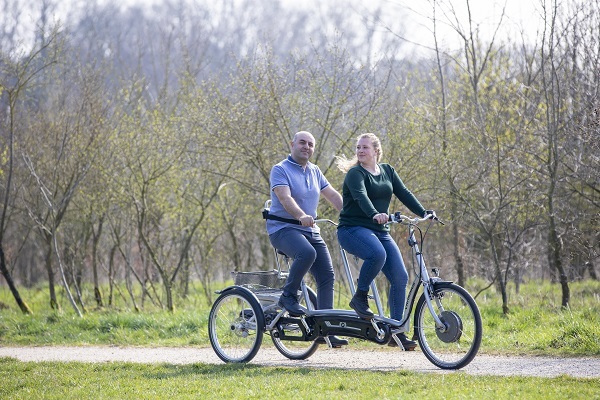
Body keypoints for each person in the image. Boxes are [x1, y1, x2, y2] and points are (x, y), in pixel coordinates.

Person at [335, 133, 435, 350]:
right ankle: (360, 298)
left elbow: (404, 193)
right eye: (358, 147)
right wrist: (375, 213)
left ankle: (396, 332)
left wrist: (423, 211)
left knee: (400, 277)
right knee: (377, 254)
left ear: (376, 151)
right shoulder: (355, 173)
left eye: (365, 148)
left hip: (380, 230)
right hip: (352, 229)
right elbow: (361, 196)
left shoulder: (387, 170)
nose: (360, 151)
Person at [266, 131, 348, 347]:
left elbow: (331, 195)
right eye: (302, 142)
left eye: (311, 144)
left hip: (310, 231)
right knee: (307, 253)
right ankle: (288, 296)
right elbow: (285, 197)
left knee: (327, 275)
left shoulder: (315, 171)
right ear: (292, 144)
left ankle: (326, 329)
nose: (306, 147)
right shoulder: (280, 169)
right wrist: (301, 215)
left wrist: (349, 213)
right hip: (283, 229)